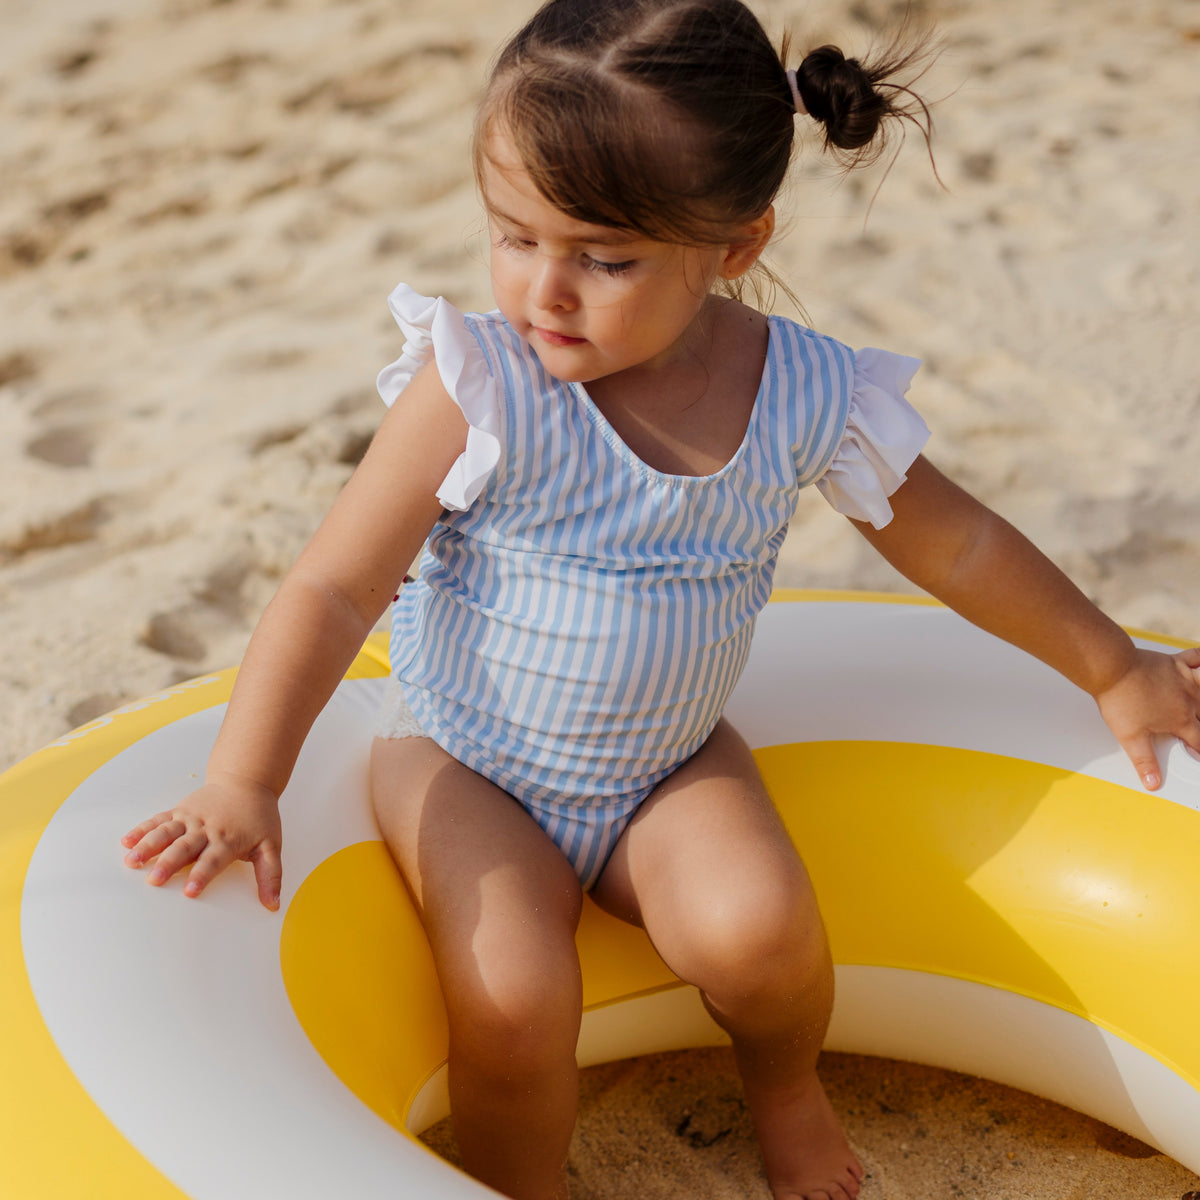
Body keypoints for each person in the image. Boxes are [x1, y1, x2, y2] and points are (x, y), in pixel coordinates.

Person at [120, 1, 1200, 1197]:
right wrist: (245, 780)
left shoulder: (798, 393)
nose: (547, 289)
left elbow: (962, 548)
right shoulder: (478, 383)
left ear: (736, 245)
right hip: (465, 757)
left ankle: (784, 1088)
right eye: (513, 237)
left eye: (604, 258)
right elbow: (331, 587)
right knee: (518, 998)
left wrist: (1116, 668)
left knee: (763, 939)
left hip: (664, 764)